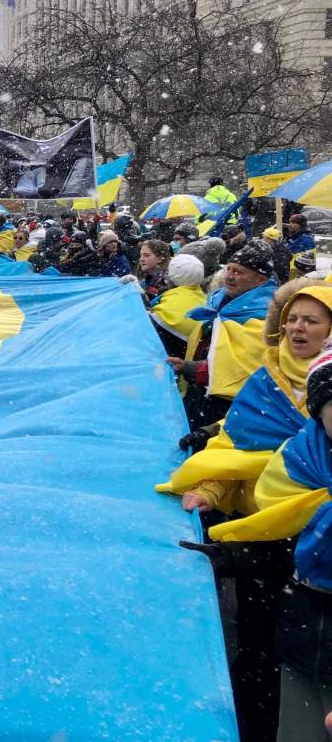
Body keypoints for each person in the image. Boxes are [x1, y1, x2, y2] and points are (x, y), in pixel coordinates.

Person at [161, 281, 332, 742]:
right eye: (292, 318)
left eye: (311, 320)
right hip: (261, 538)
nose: (298, 327)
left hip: (304, 551)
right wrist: (210, 491)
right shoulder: (267, 381)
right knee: (262, 653)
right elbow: (237, 446)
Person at [204, 345, 332, 741]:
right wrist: (235, 556)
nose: (297, 328)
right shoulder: (300, 460)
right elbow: (285, 535)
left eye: (311, 319)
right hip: (302, 639)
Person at [169, 239, 278, 429]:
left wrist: (191, 368)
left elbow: (242, 369)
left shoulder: (265, 316)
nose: (229, 276)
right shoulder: (217, 302)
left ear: (260, 279)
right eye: (229, 269)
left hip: (228, 409)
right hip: (200, 397)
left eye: (238, 272)